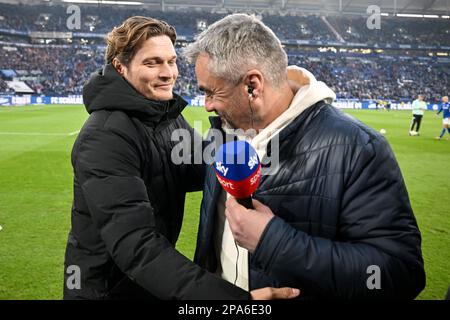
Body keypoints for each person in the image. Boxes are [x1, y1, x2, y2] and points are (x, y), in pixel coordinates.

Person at [184, 14, 425, 299]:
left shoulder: (358, 147)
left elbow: (400, 273)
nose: (207, 106)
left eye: (211, 92)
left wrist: (272, 241)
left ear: (252, 86)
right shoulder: (224, 132)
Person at [63, 16, 299, 300]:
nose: (168, 73)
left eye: (171, 61)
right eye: (152, 63)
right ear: (120, 67)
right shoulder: (105, 137)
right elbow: (137, 247)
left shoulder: (164, 118)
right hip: (105, 292)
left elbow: (207, 164)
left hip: (147, 285)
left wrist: (250, 117)